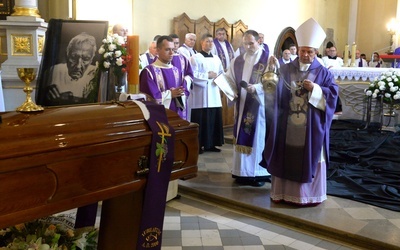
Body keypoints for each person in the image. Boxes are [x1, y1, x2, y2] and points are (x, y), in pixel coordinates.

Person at [261, 18, 338, 206]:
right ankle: (282, 194)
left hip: (310, 126)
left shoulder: (323, 73)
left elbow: (333, 95)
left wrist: (316, 89)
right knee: (284, 155)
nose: (305, 54)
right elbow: (271, 90)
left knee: (310, 156)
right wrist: (270, 71)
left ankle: (307, 196)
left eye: (309, 52)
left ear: (316, 52)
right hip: (287, 125)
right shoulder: (286, 69)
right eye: (302, 50)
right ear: (298, 49)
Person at [225, 30, 271, 187]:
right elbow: (229, 78)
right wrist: (225, 86)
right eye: (245, 43)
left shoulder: (267, 59)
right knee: (240, 135)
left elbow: (272, 81)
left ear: (259, 41)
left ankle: (258, 174)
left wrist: (257, 88)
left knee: (257, 137)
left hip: (258, 106)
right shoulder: (237, 60)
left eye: (251, 43)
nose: (248, 46)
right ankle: (241, 172)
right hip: (241, 104)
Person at [140, 35, 190, 120]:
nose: (171, 53)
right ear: (158, 50)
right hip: (158, 119)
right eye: (167, 49)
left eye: (173, 50)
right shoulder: (149, 72)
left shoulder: (177, 71)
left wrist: (180, 93)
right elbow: (150, 98)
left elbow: (185, 92)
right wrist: (170, 94)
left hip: (177, 117)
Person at [190, 33, 224, 154]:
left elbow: (221, 73)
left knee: (213, 118)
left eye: (211, 41)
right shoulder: (195, 57)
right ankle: (198, 145)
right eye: (207, 41)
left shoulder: (216, 58)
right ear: (201, 43)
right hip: (201, 94)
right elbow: (192, 74)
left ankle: (211, 144)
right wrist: (207, 76)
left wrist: (219, 80)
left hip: (214, 92)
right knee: (201, 119)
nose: (210, 43)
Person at [45, 32, 98, 106]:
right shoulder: (54, 71)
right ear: (67, 55)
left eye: (86, 59)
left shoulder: (96, 74)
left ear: (91, 60)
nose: (78, 66)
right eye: (73, 57)